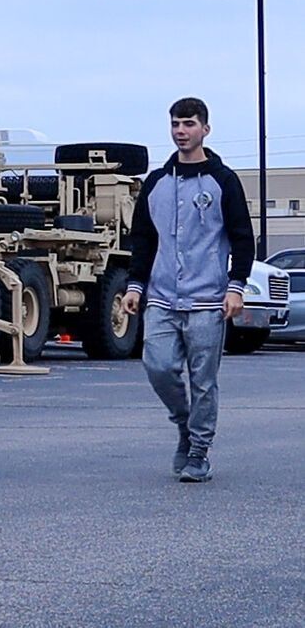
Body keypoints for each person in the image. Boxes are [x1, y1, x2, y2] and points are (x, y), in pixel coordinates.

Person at [122, 97, 254, 483]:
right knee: (158, 367)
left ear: (205, 130)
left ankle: (198, 451)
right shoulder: (157, 183)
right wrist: (134, 285)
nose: (182, 131)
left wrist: (236, 287)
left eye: (189, 124)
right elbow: (143, 238)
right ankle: (184, 424)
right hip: (162, 297)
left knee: (203, 381)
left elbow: (242, 237)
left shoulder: (223, 180)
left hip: (208, 301)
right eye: (176, 124)